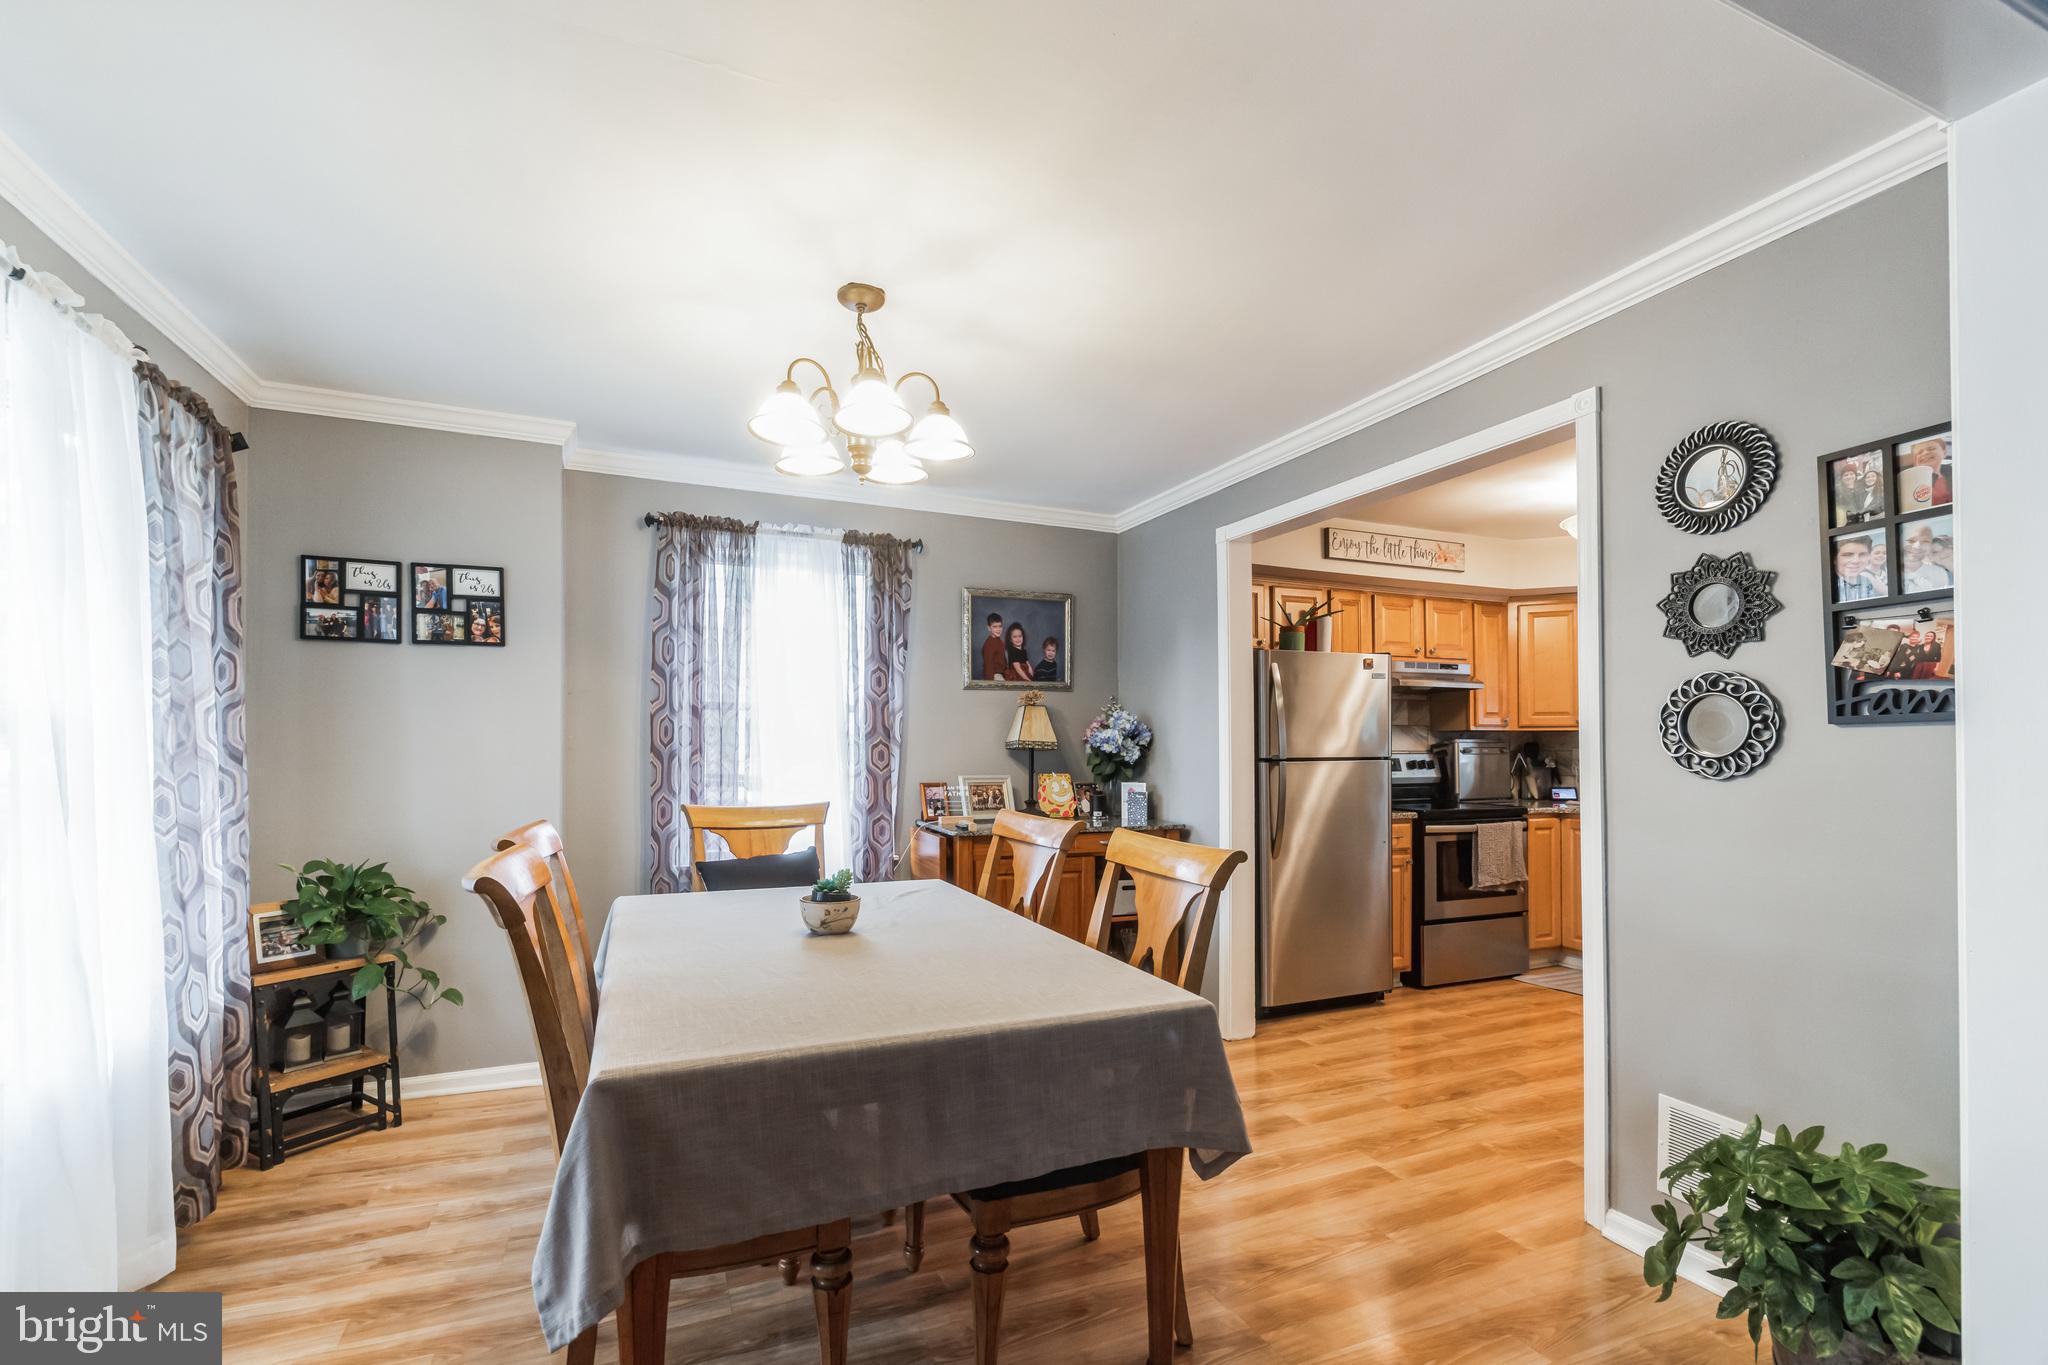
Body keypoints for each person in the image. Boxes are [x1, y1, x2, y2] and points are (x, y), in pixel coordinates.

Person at [1901, 524, 1952, 593]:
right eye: (1911, 540)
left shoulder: (1939, 573)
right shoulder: (1887, 572)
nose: (1917, 546)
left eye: (1925, 541)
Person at [1833, 536, 1883, 601]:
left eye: (1862, 555)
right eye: (1848, 555)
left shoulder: (1870, 583)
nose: (1856, 561)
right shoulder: (1826, 586)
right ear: (1834, 559)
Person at [979, 612, 1006, 682]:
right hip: (994, 675)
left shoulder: (1000, 641)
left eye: (1000, 626)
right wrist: (990, 682)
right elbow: (988, 666)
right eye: (995, 627)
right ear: (989, 628)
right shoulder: (989, 644)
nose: (998, 629)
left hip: (1002, 673)